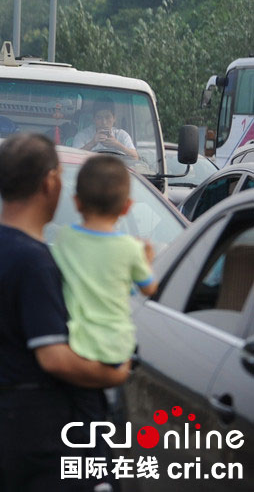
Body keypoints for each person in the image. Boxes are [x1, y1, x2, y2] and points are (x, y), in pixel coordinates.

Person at [0, 133, 130, 491]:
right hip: (35, 425)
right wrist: (114, 373)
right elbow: (54, 358)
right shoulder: (34, 261)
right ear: (50, 181)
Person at [52, 155, 157, 368]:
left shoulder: (64, 238)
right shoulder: (131, 248)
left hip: (73, 345)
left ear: (76, 202)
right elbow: (149, 288)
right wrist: (146, 261)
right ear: (127, 207)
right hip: (115, 349)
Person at [73, 99, 138, 159]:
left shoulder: (122, 135)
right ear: (94, 119)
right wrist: (92, 143)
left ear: (114, 118)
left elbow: (135, 157)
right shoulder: (82, 135)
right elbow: (73, 158)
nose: (104, 122)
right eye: (99, 117)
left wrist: (117, 145)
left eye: (108, 117)